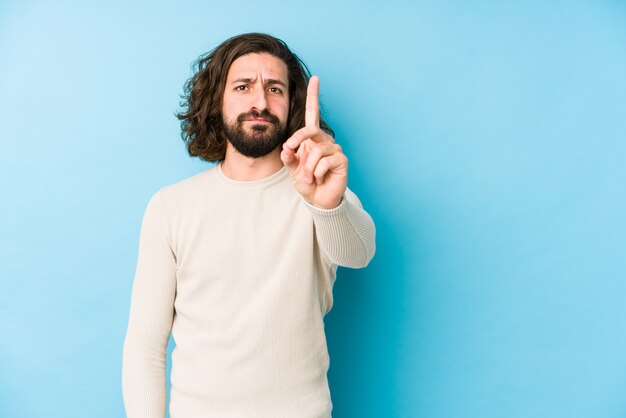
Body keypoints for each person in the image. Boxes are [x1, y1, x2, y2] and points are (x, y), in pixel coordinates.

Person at [122, 32, 376, 418]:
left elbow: (358, 254)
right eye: (243, 87)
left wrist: (328, 205)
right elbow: (144, 346)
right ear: (217, 100)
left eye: (275, 88)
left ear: (291, 104)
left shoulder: (322, 192)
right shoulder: (170, 207)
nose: (260, 102)